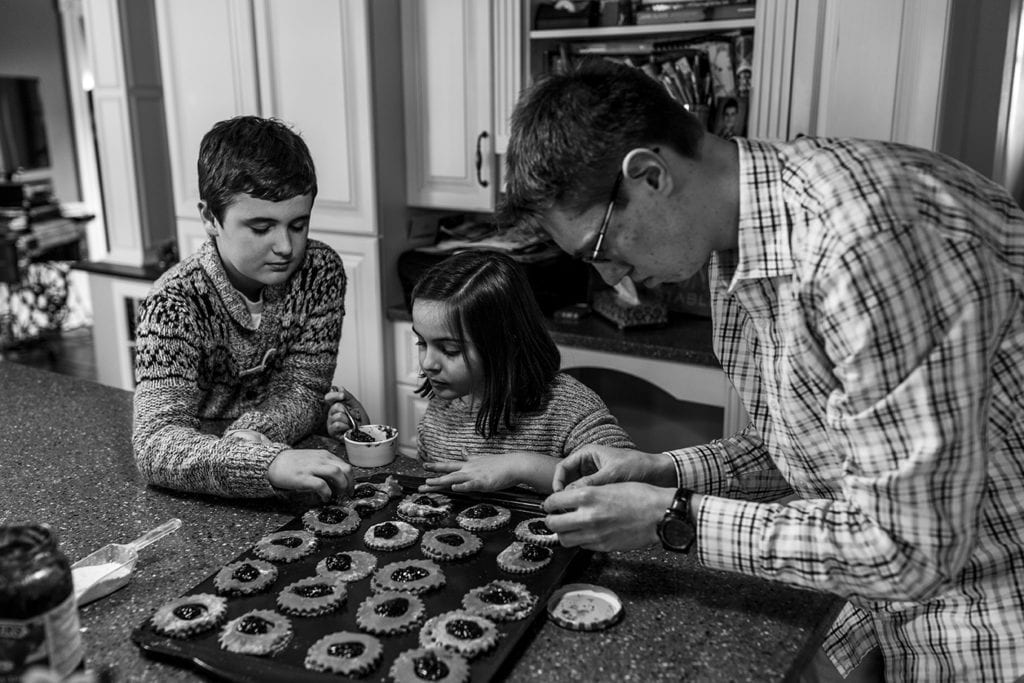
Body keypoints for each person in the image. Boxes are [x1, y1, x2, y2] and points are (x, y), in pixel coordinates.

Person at [499, 59, 1024, 682]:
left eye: (600, 248)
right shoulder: (732, 246)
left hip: (988, 620)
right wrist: (663, 469)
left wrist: (670, 517)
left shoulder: (864, 240)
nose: (611, 278)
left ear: (649, 175)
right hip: (887, 610)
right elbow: (804, 448)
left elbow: (909, 548)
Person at [132, 115, 362, 503]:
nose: (286, 247)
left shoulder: (320, 272)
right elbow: (156, 442)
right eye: (261, 228)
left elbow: (305, 388)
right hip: (198, 494)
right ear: (210, 218)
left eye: (298, 225)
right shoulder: (172, 303)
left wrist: (253, 435)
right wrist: (262, 460)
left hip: (288, 461)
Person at [410, 250, 634, 494]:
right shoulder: (442, 407)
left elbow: (626, 482)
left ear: (505, 343)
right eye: (422, 343)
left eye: (449, 349)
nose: (428, 362)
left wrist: (522, 466)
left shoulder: (568, 408)